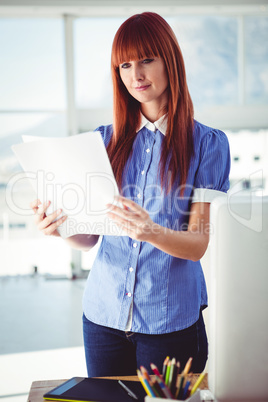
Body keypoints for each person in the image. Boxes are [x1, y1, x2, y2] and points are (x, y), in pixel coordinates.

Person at [30, 12, 230, 377]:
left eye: (146, 60)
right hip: (103, 318)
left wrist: (148, 231)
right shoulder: (103, 141)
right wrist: (59, 227)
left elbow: (198, 243)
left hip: (169, 324)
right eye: (124, 65)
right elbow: (89, 238)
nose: (135, 75)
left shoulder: (207, 145)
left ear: (170, 60)